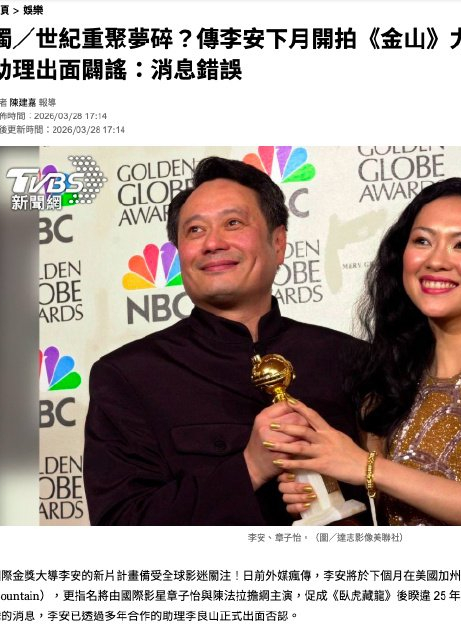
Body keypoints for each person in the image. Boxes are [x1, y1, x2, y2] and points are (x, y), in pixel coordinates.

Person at [273, 178, 461, 525]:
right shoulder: (384, 394)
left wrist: (367, 468)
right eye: (422, 241)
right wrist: (324, 499)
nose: (436, 260)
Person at [83, 156, 365, 525]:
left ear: (278, 243)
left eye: (233, 223)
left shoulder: (354, 360)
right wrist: (249, 468)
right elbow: (120, 527)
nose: (213, 243)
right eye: (195, 230)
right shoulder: (128, 376)